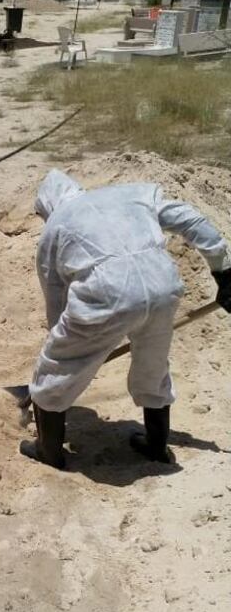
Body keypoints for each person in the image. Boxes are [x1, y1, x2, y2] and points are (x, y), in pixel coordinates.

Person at [21, 169, 231, 468]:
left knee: (52, 370)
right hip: (163, 286)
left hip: (106, 293)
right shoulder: (130, 195)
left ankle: (48, 450)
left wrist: (64, 354)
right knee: (153, 365)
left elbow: (56, 298)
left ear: (47, 206)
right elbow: (191, 220)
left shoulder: (55, 227)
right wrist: (224, 272)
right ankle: (156, 447)